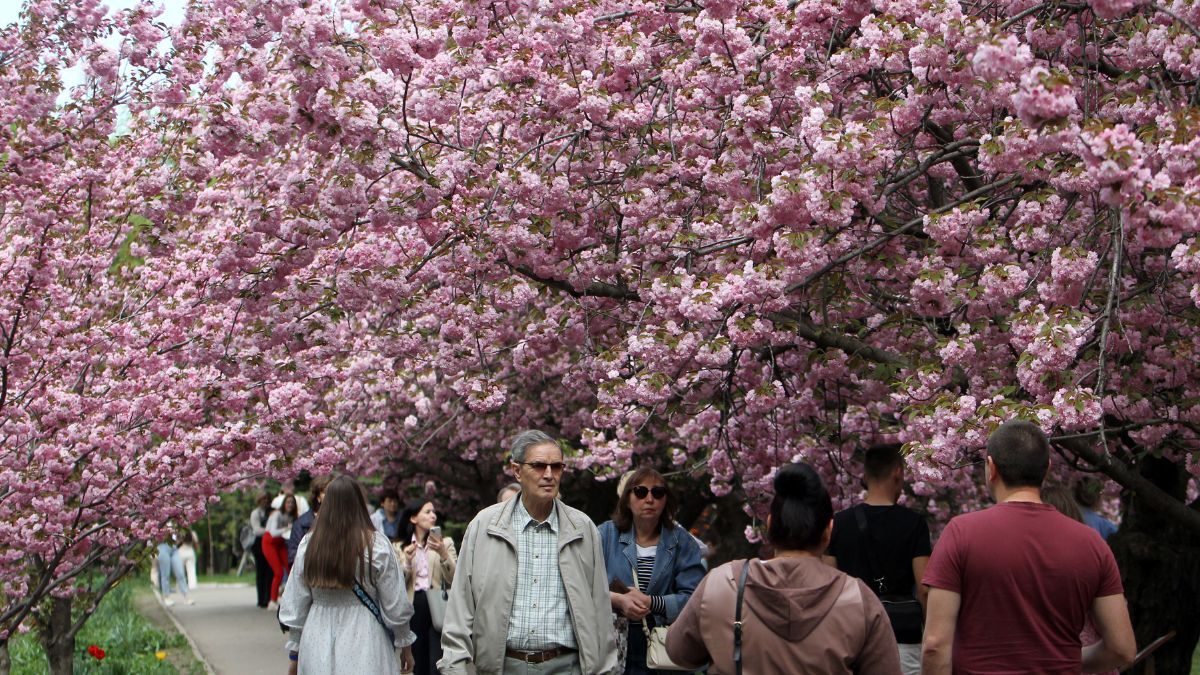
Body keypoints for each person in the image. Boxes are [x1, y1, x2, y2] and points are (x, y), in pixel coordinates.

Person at [922, 420, 1137, 674]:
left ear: (991, 468)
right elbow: (1122, 648)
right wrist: (1065, 662)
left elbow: (935, 644)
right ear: (1046, 470)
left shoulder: (960, 534)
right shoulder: (1091, 543)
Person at [665, 462, 901, 673]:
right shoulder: (859, 600)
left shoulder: (721, 583)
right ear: (829, 531)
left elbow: (679, 653)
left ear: (769, 525)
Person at [439, 429, 618, 675]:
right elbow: (460, 607)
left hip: (568, 666)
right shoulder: (484, 526)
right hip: (501, 667)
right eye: (538, 466)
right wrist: (454, 668)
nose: (549, 475)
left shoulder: (582, 528)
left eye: (556, 467)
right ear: (516, 471)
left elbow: (600, 609)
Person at [279, 475, 415, 674]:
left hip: (317, 635)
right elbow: (395, 602)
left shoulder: (310, 545)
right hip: (364, 634)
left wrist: (294, 653)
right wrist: (406, 646)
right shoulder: (376, 544)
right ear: (359, 503)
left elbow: (297, 601)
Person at [824, 444, 931, 674]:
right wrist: (928, 632)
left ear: (865, 476)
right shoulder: (914, 523)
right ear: (897, 472)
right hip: (901, 634)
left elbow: (829, 582)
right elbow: (923, 588)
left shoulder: (839, 523)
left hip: (850, 634)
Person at [599, 468, 705, 675]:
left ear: (666, 500)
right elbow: (582, 585)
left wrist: (653, 602)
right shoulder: (605, 534)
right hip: (614, 642)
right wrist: (617, 600)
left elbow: (696, 598)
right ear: (627, 498)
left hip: (664, 643)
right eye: (640, 492)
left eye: (657, 493)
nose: (649, 499)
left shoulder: (682, 542)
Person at [395, 498, 458, 675]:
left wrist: (443, 553)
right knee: (418, 659)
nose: (433, 515)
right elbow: (395, 582)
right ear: (413, 518)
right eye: (427, 512)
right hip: (413, 604)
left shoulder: (445, 543)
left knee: (438, 661)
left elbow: (455, 578)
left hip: (438, 604)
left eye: (433, 512)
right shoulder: (400, 546)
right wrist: (407, 562)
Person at [288, 475, 332, 568]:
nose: (331, 496)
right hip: (312, 574)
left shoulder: (344, 520)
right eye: (325, 492)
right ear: (317, 497)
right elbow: (293, 556)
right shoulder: (302, 523)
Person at [264, 494, 299, 608]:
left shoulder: (292, 516)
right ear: (284, 503)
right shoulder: (277, 514)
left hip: (281, 543)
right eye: (288, 502)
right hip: (269, 542)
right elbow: (273, 532)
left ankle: (290, 598)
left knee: (290, 569)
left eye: (292, 503)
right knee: (278, 572)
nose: (290, 505)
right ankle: (272, 600)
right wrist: (287, 528)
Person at [157, 529, 195, 607]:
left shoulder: (173, 519)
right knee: (165, 574)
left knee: (180, 573)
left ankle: (186, 596)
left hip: (174, 548)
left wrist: (178, 539)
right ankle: (166, 597)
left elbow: (180, 532)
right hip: (162, 546)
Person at [250, 493, 273, 608]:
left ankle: (268, 598)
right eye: (263, 499)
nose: (265, 501)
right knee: (261, 571)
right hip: (259, 544)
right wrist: (270, 531)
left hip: (270, 543)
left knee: (270, 571)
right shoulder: (255, 513)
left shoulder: (271, 512)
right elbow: (257, 530)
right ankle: (261, 599)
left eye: (267, 499)